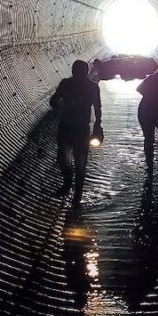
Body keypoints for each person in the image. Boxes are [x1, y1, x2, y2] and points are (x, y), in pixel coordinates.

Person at [49, 60, 102, 207]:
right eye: (74, 70)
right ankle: (69, 187)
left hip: (77, 128)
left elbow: (97, 107)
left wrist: (98, 125)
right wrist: (61, 106)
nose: (75, 73)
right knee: (67, 160)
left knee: (77, 162)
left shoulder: (89, 87)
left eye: (76, 70)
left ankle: (76, 194)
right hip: (71, 127)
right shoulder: (68, 84)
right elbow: (53, 100)